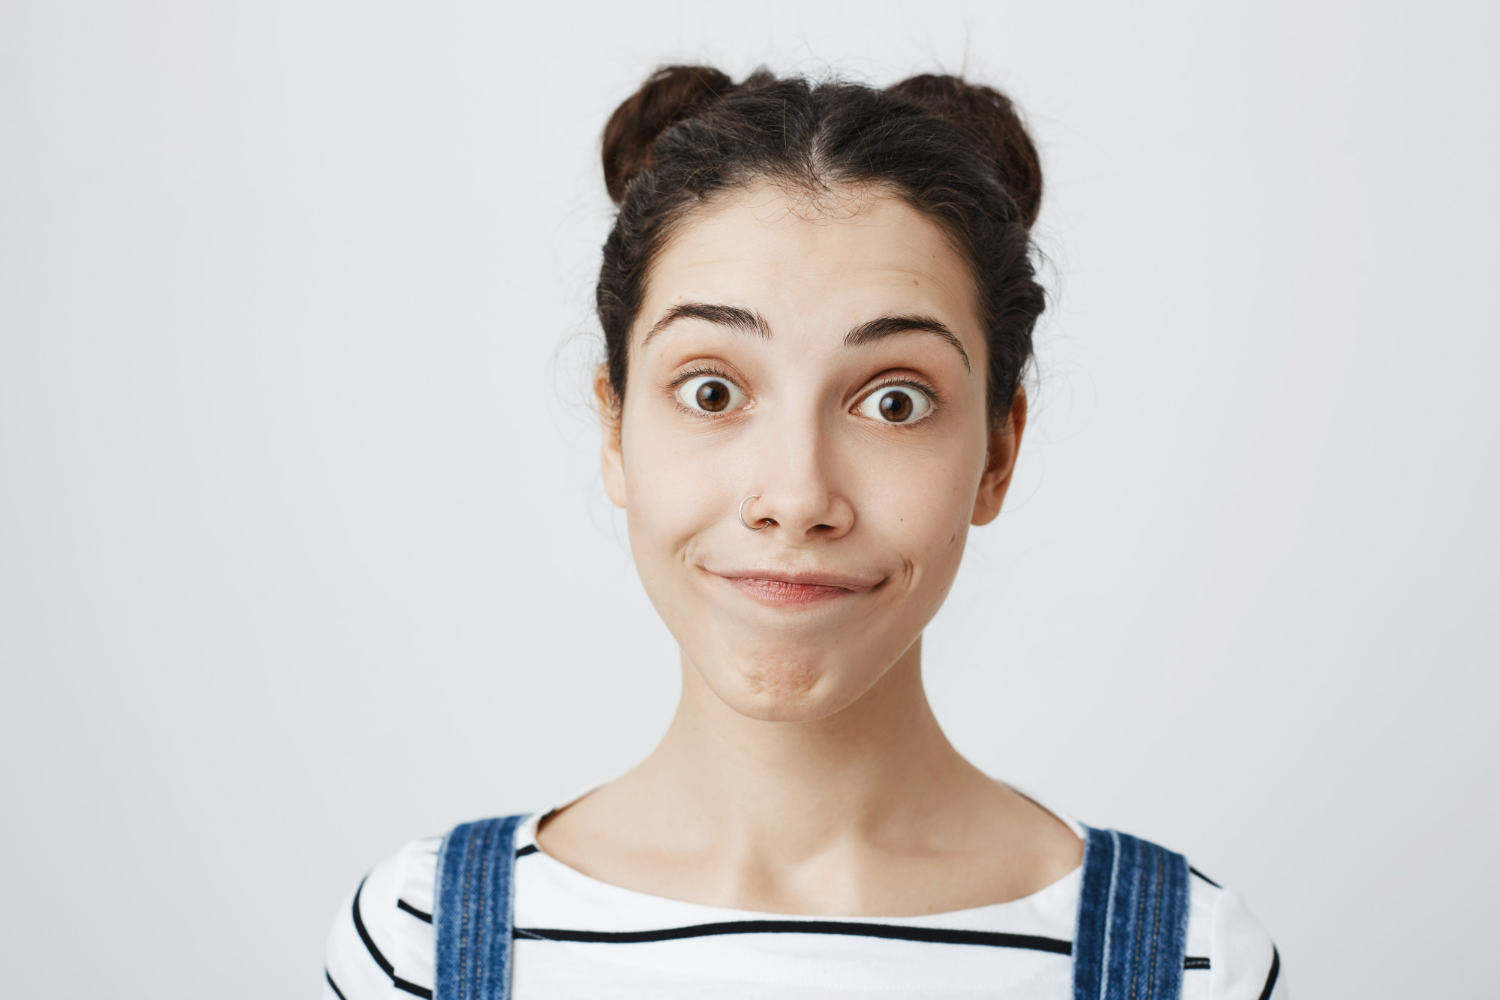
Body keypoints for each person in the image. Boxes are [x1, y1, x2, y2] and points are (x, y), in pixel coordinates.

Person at [322, 65, 1285, 1000]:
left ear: (997, 453)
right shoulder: (421, 941)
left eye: (895, 401)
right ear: (615, 431)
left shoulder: (1195, 966)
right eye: (713, 391)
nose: (796, 494)